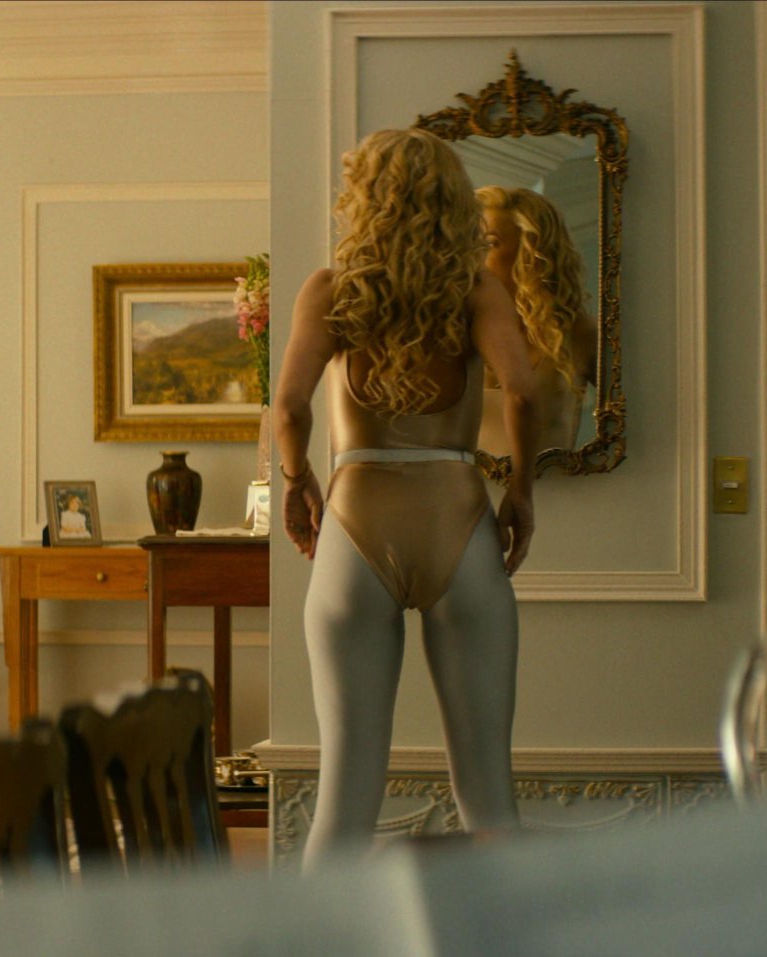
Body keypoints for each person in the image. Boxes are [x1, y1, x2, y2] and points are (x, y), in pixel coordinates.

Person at [273, 127, 542, 865]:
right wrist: (520, 489)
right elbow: (523, 392)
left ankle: (320, 932)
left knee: (343, 804)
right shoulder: (476, 289)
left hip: (355, 519)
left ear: (362, 198)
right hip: (458, 515)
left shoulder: (330, 290)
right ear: (452, 200)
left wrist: (297, 481)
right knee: (490, 801)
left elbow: (290, 409)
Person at [474, 186, 599, 460]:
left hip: (553, 486)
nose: (474, 257)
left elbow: (639, 419)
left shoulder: (579, 333)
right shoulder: (455, 334)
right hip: (466, 487)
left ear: (531, 253)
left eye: (490, 244)